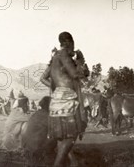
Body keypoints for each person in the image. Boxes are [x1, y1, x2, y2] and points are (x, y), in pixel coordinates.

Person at [40, 31, 88, 166]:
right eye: (73, 44)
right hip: (67, 101)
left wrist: (56, 89)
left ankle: (73, 164)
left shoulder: (55, 57)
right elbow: (75, 74)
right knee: (70, 138)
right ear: (69, 43)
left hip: (57, 101)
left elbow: (42, 78)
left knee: (62, 140)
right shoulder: (64, 55)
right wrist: (80, 60)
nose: (73, 47)